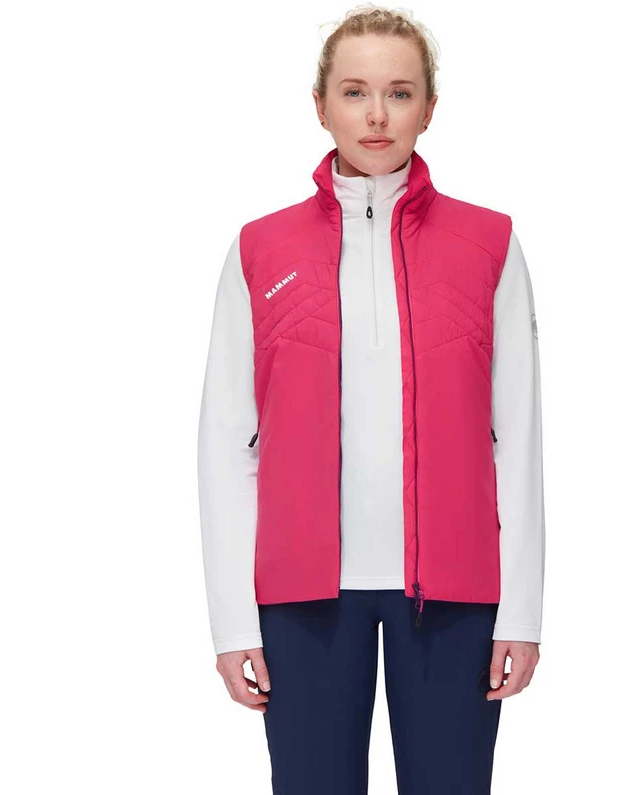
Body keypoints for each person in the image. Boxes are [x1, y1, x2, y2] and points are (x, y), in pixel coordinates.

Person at [197, 5, 545, 793]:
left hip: (455, 592)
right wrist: (232, 619)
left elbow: (517, 437)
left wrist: (520, 611)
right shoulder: (260, 249)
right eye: (354, 92)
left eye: (399, 92)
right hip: (301, 595)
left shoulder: (488, 243)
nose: (377, 115)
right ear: (320, 105)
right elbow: (226, 445)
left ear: (429, 107)